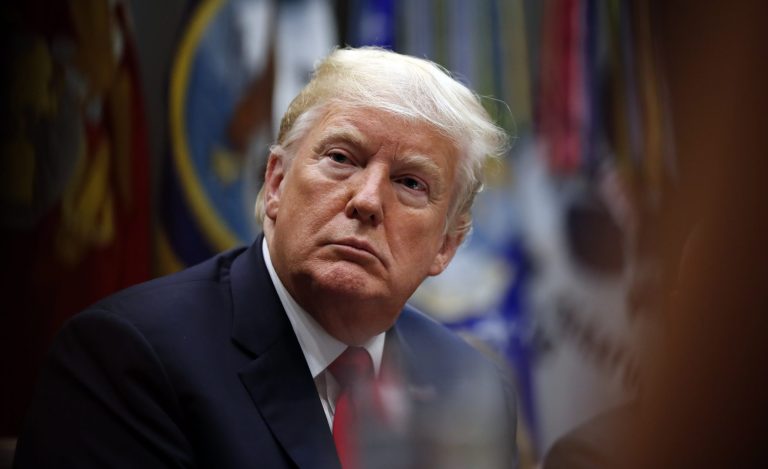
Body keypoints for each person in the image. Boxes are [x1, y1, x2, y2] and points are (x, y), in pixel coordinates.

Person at [13, 47, 517, 468]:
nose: (366, 200)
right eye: (341, 158)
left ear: (447, 244)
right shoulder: (128, 358)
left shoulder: (472, 387)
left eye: (410, 183)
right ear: (275, 183)